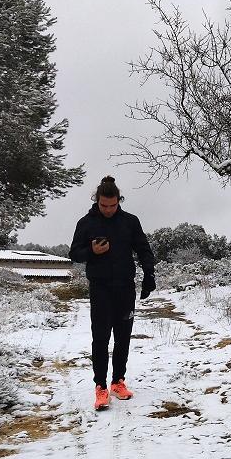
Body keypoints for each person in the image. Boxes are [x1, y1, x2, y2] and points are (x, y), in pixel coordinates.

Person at [69, 176, 156, 410]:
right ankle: (100, 386)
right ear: (97, 201)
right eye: (104, 205)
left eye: (113, 205)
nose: (108, 210)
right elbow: (74, 254)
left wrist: (149, 274)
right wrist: (91, 251)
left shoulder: (130, 222)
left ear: (119, 201)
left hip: (125, 287)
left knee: (123, 337)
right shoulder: (86, 223)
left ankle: (118, 381)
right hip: (100, 288)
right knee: (100, 338)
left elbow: (143, 248)